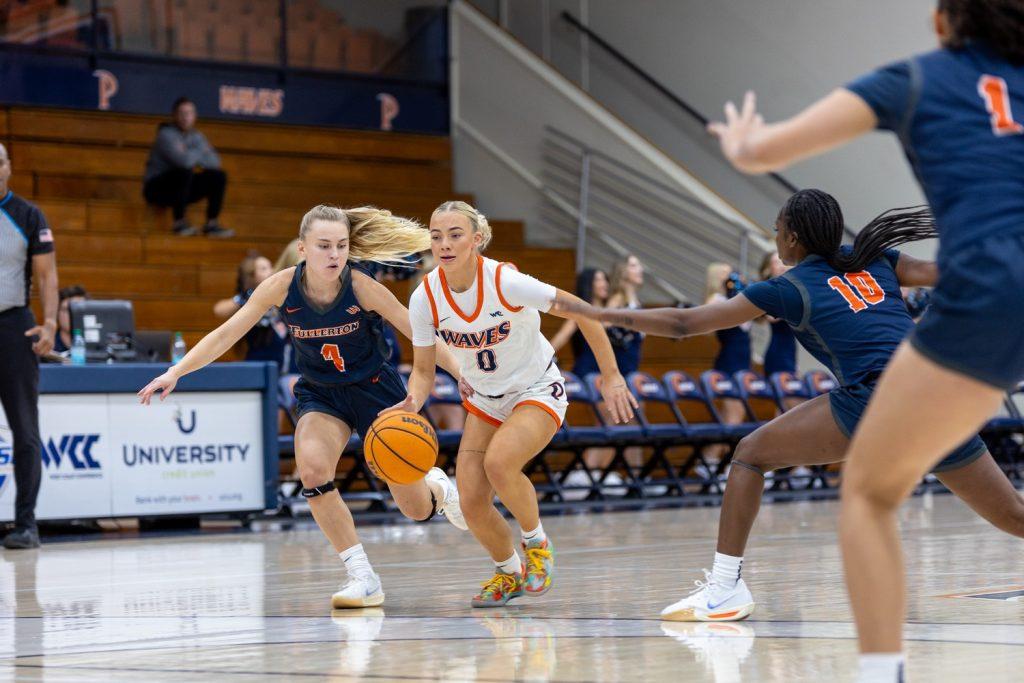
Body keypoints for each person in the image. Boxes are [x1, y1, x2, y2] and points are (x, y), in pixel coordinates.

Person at [705, 2, 1024, 679]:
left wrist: (743, 145)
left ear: (943, 22)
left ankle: (882, 671)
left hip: (983, 301)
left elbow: (769, 151)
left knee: (870, 496)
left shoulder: (917, 77)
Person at [553, 190, 1024, 632]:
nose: (775, 238)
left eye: (777, 229)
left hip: (880, 401)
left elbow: (682, 323)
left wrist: (598, 314)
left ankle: (724, 589)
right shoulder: (877, 259)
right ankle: (723, 590)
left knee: (751, 455)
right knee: (1013, 516)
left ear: (792, 236)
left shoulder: (788, 287)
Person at [139, 205, 469, 608]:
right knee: (312, 471)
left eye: (342, 246)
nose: (334, 255)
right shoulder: (281, 287)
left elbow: (421, 334)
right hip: (322, 392)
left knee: (416, 511)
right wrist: (176, 371)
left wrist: (463, 374)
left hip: (375, 390)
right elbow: (227, 332)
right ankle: (362, 575)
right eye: (324, 246)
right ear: (302, 248)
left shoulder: (361, 286)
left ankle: (436, 486)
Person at [390, 200, 637, 607]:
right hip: (486, 398)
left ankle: (536, 543)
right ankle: (508, 572)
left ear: (477, 239)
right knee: (469, 500)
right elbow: (423, 369)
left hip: (536, 388)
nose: (444, 244)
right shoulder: (424, 298)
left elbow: (582, 311)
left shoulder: (506, 282)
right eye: (436, 237)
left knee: (500, 463)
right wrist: (412, 401)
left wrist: (611, 376)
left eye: (455, 235)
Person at [0, 143, 59, 549]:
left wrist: (51, 322)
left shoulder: (27, 214)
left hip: (13, 326)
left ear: (8, 168)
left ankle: (26, 524)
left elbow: (48, 277)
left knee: (24, 429)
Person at [143, 97, 233, 238]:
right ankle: (179, 223)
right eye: (182, 113)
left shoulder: (197, 136)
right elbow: (184, 162)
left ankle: (211, 224)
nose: (186, 117)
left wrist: (190, 152)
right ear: (174, 115)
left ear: (195, 116)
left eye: (190, 113)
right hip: (157, 188)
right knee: (185, 172)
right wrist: (200, 151)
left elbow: (215, 162)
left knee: (218, 176)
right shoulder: (166, 135)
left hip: (181, 189)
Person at [213, 251, 288, 369]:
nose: (271, 271)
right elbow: (218, 310)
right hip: (258, 361)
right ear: (252, 275)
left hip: (281, 359)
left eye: (270, 267)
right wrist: (242, 298)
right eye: (264, 269)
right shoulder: (247, 298)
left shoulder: (279, 294)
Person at [758, 252, 797, 377]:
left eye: (783, 261)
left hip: (790, 349)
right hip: (779, 352)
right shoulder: (770, 290)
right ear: (768, 269)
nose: (782, 266)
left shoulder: (790, 288)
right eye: (776, 262)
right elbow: (771, 317)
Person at [53, 284, 88, 355]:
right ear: (57, 313)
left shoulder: (100, 347)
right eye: (67, 310)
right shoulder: (49, 345)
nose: (73, 315)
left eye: (79, 310)